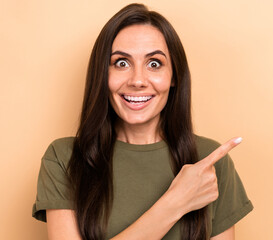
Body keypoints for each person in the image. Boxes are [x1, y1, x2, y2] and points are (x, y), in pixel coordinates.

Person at [32, 3, 253, 240]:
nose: (138, 80)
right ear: (102, 74)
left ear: (174, 76)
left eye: (154, 64)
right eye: (122, 63)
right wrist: (176, 202)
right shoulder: (64, 158)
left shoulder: (209, 161)